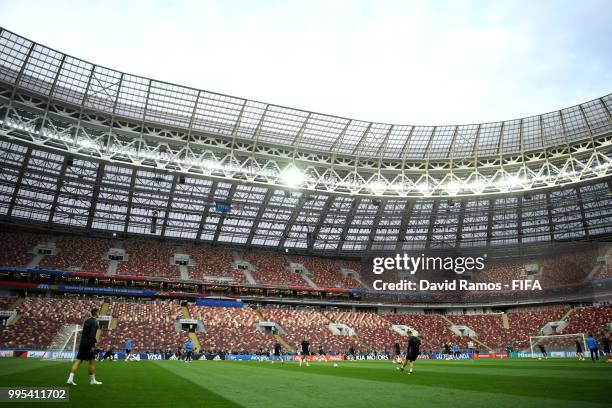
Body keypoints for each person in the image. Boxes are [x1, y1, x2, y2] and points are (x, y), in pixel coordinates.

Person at [66, 308, 102, 385]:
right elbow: (92, 335)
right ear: (95, 313)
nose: (99, 314)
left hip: (83, 343)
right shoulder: (94, 322)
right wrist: (92, 345)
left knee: (78, 360)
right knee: (91, 362)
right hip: (89, 345)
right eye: (98, 312)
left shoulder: (87, 321)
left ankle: (70, 378)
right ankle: (92, 380)